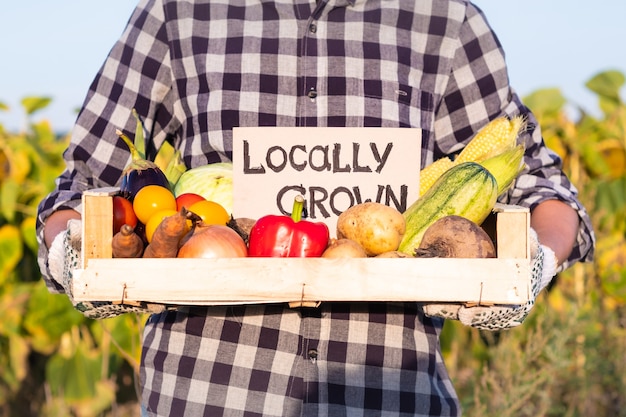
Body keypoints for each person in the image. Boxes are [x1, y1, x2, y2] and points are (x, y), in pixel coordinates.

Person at [37, 0, 594, 415]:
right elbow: (85, 183)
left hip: (390, 395)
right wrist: (75, 254)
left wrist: (533, 263)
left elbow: (539, 188)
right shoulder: (179, 15)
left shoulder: (441, 18)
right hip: (208, 392)